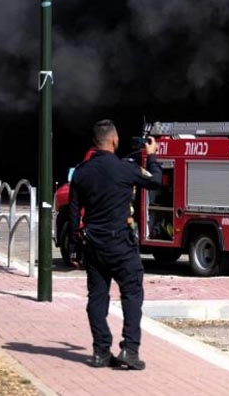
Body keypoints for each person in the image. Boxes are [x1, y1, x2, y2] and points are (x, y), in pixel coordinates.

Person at [69, 119, 162, 370]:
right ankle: (129, 350)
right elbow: (155, 180)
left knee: (96, 299)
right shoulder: (125, 169)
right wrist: (151, 156)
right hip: (121, 244)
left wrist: (76, 245)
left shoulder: (81, 172)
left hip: (94, 246)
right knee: (132, 294)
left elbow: (74, 214)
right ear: (113, 140)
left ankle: (100, 352)